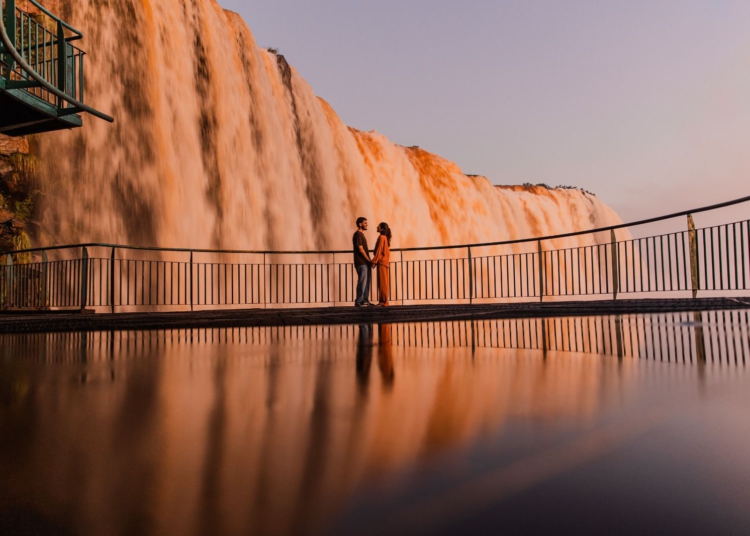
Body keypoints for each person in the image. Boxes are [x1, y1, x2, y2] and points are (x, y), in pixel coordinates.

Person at [353, 216, 373, 307]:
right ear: (360, 224)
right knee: (362, 281)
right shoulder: (357, 235)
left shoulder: (361, 234)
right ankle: (359, 300)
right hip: (361, 262)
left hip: (365, 263)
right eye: (365, 223)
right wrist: (368, 260)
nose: (366, 225)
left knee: (366, 281)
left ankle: (365, 300)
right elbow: (360, 249)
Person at [371, 222, 392, 306]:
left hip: (381, 261)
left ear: (382, 229)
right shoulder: (386, 238)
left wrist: (374, 261)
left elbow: (379, 251)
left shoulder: (381, 237)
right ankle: (383, 301)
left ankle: (383, 302)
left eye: (378, 226)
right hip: (385, 261)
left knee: (382, 282)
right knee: (384, 282)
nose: (377, 227)